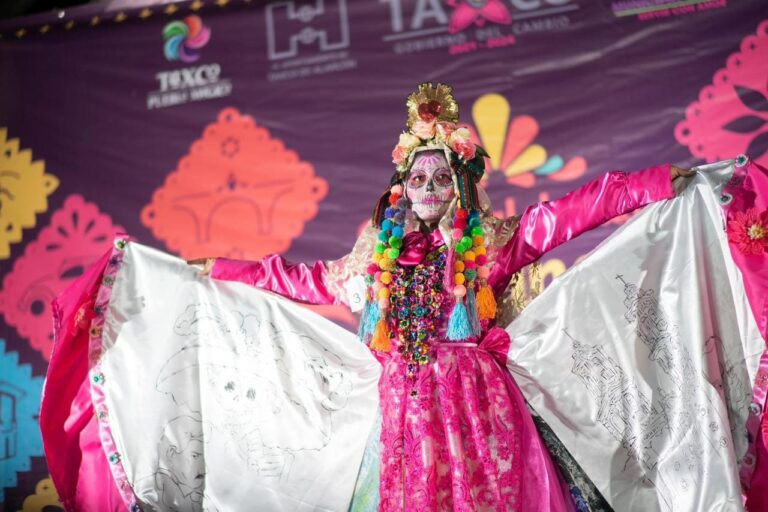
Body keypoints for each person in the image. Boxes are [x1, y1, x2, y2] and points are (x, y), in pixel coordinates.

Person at [188, 83, 694, 511]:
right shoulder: (373, 264)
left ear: (462, 187)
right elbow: (297, 278)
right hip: (403, 413)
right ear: (401, 190)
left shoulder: (490, 246)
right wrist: (222, 269)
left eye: (442, 177)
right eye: (418, 179)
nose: (429, 188)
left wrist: (647, 184)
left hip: (478, 408)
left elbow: (570, 212)